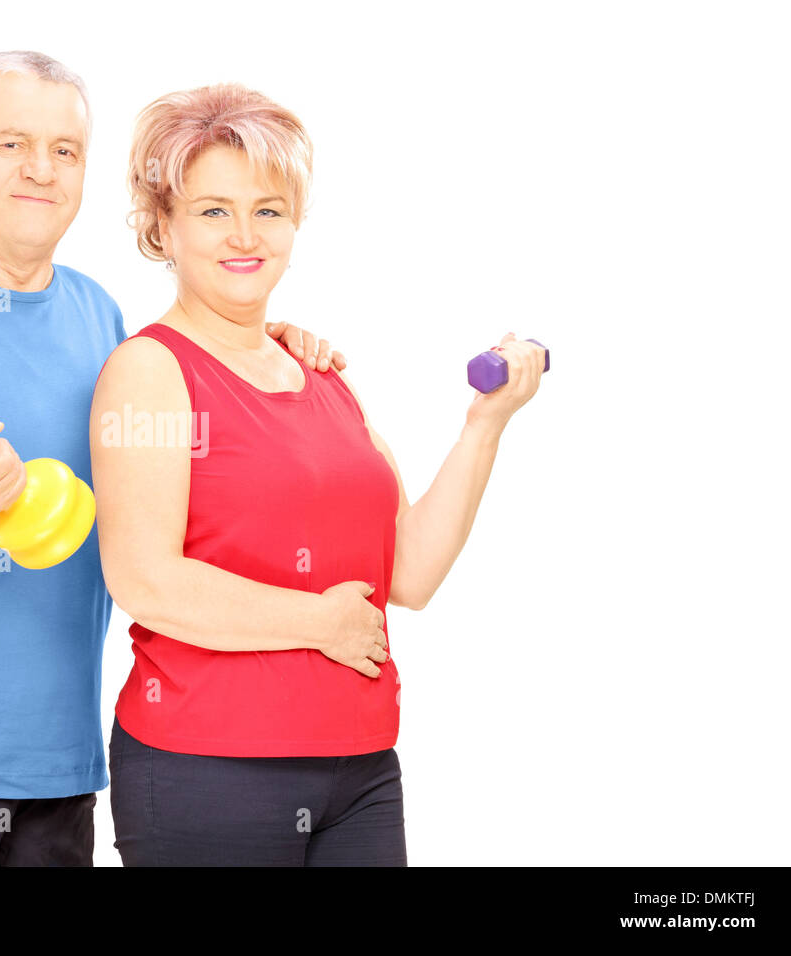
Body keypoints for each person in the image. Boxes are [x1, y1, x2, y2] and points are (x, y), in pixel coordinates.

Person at [0, 52, 344, 866]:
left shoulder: (98, 315)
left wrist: (276, 348)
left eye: (66, 151)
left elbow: (182, 451)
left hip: (62, 771)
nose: (41, 171)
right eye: (11, 145)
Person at [90, 82, 545, 866]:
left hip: (361, 769)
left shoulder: (323, 373)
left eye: (268, 209)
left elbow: (409, 572)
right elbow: (143, 579)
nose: (245, 234)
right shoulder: (149, 371)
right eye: (212, 210)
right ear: (162, 226)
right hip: (207, 771)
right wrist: (318, 621)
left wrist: (485, 426)